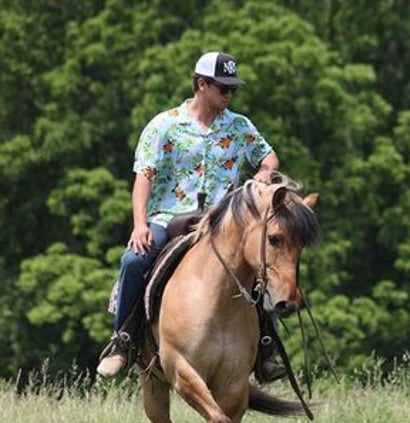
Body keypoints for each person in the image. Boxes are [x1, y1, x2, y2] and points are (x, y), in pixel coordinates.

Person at [96, 51, 286, 381]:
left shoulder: (240, 127)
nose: (229, 96)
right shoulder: (164, 125)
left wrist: (265, 174)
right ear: (201, 84)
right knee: (133, 261)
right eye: (223, 89)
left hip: (223, 222)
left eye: (233, 90)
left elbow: (269, 156)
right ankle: (123, 341)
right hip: (169, 218)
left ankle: (266, 348)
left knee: (263, 261)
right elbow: (144, 177)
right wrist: (140, 224)